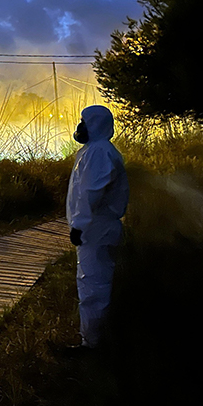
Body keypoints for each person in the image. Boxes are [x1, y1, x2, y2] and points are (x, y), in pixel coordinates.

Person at [67, 105, 129, 349]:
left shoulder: (99, 153)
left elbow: (91, 192)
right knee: (93, 283)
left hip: (96, 228)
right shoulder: (95, 150)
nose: (80, 127)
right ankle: (94, 340)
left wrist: (79, 225)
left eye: (83, 122)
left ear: (94, 124)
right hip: (97, 228)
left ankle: (93, 345)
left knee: (94, 287)